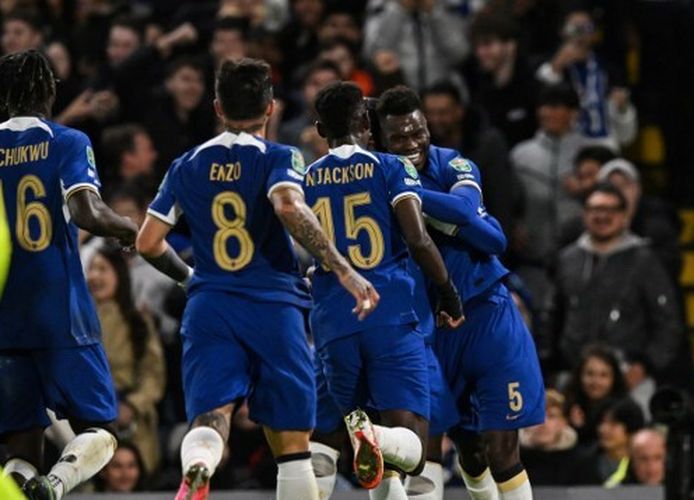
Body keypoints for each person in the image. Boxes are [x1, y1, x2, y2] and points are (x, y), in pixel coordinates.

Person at [136, 58, 378, 500]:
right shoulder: (280, 156)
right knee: (292, 446)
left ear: (217, 107)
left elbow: (148, 242)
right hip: (273, 305)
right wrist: (343, 270)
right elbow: (288, 206)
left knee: (212, 416)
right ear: (270, 108)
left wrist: (190, 279)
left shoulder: (185, 164)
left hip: (211, 304)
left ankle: (199, 463)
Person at [378, 85, 545, 500]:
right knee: (443, 449)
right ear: (382, 140)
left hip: (488, 316)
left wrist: (405, 197)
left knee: (502, 450)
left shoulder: (453, 162)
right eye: (399, 138)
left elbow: (478, 222)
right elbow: (483, 233)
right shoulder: (373, 178)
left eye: (419, 132)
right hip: (430, 328)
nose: (413, 144)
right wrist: (453, 221)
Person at [305, 81, 464, 498]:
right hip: (389, 315)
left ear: (320, 131)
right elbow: (417, 239)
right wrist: (448, 292)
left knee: (323, 443)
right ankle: (373, 432)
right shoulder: (390, 167)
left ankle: (357, 431)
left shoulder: (304, 178)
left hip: (332, 321)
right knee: (412, 447)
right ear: (365, 122)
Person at [0, 49, 138, 499]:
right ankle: (56, 485)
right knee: (102, 428)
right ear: (50, 91)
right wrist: (127, 228)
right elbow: (87, 212)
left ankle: (31, 484)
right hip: (60, 309)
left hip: (5, 315)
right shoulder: (67, 141)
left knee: (20, 443)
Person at [541, 184, 683, 382]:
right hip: (573, 376)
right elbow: (551, 315)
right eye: (595, 209)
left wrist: (646, 366)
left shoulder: (645, 260)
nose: (602, 216)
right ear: (584, 214)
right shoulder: (567, 259)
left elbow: (668, 322)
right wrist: (550, 364)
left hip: (630, 378)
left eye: (610, 210)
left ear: (624, 215)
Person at [510, 83, 609, 306]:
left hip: (583, 256)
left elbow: (614, 191)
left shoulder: (592, 152)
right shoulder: (521, 155)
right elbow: (510, 201)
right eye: (543, 106)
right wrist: (513, 226)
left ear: (573, 113)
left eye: (555, 106)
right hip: (533, 258)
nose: (547, 112)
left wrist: (589, 185)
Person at [87, 246, 166, 475]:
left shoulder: (138, 322)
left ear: (119, 274)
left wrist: (131, 406)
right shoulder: (76, 320)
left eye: (102, 269)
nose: (94, 276)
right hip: (89, 414)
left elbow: (154, 376)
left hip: (132, 418)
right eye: (91, 269)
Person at [422, 81, 519, 229]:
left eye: (442, 113)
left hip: (486, 229)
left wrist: (501, 240)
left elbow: (502, 197)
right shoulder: (424, 149)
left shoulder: (488, 143)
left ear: (459, 111)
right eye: (430, 113)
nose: (435, 120)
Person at [535, 8, 637, 148]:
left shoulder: (608, 69)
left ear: (595, 33)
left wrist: (622, 109)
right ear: (562, 31)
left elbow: (627, 135)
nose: (580, 33)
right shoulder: (547, 64)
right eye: (574, 28)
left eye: (586, 27)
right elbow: (538, 101)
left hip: (603, 143)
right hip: (563, 146)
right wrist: (556, 67)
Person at [363, 0, 470, 90]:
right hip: (399, 89)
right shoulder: (380, 4)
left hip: (443, 90)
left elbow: (460, 54)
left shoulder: (449, 4)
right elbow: (372, 54)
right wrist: (399, 10)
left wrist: (434, 12)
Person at [468, 11, 538, 148]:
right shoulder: (478, 88)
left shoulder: (533, 86)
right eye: (477, 46)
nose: (480, 52)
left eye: (487, 44)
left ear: (510, 45)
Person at [563, 345, 629, 447]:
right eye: (590, 374)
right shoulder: (567, 405)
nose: (596, 382)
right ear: (579, 376)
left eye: (604, 375)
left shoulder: (625, 411)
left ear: (614, 379)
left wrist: (581, 430)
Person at [577, 398, 645, 487]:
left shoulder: (644, 461)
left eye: (613, 424)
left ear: (631, 427)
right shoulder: (583, 463)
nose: (603, 429)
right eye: (602, 423)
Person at [519, 389, 583, 485]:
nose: (543, 423)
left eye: (552, 416)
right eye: (537, 416)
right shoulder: (512, 460)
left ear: (563, 422)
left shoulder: (580, 463)